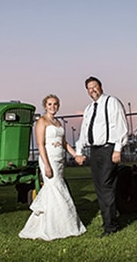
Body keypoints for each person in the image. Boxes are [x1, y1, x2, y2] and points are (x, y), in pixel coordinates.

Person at [19, 94, 86, 240]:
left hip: (60, 160)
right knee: (57, 189)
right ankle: (58, 227)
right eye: (49, 104)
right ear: (45, 106)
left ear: (58, 106)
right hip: (48, 160)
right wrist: (47, 165)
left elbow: (65, 143)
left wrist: (76, 155)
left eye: (55, 104)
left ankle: (53, 223)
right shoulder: (41, 121)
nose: (52, 107)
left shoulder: (58, 123)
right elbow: (40, 144)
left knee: (54, 191)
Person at [72, 76, 129, 237]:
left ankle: (111, 227)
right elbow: (84, 131)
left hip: (108, 149)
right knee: (99, 188)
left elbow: (121, 126)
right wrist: (79, 151)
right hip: (94, 151)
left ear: (101, 86)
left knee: (106, 186)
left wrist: (118, 149)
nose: (92, 90)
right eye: (89, 88)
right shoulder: (89, 108)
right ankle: (107, 222)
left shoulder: (112, 102)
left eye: (94, 86)